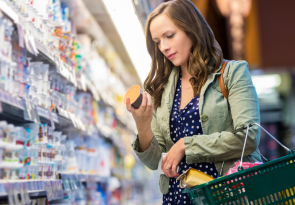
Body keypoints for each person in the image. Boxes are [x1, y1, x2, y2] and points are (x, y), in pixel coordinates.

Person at [125, 0, 261, 204]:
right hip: (177, 197)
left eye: (169, 36)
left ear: (191, 29)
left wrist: (185, 146)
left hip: (225, 194)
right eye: (157, 41)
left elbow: (248, 136)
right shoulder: (161, 89)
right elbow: (155, 161)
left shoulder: (232, 74)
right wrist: (142, 125)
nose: (163, 47)